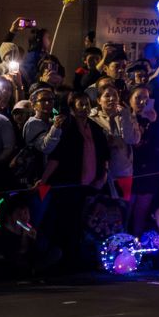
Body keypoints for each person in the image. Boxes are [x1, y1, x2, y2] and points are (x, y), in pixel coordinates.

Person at [37, 90, 109, 270]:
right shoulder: (67, 128)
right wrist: (44, 180)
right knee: (65, 223)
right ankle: (63, 262)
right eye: (81, 105)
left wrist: (103, 177)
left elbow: (104, 156)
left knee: (83, 224)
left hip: (91, 184)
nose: (85, 108)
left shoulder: (95, 128)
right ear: (72, 108)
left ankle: (78, 260)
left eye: (87, 104)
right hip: (68, 184)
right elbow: (56, 157)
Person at [92, 82, 140, 200]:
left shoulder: (126, 115)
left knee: (122, 209)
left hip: (123, 170)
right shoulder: (92, 118)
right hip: (100, 173)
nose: (112, 98)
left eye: (115, 95)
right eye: (107, 96)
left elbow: (132, 139)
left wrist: (126, 117)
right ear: (99, 100)